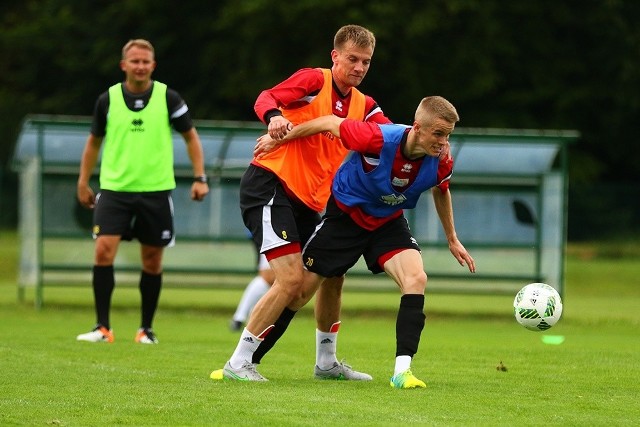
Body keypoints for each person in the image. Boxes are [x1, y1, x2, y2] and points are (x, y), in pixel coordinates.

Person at [253, 95, 476, 388]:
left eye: (447, 135)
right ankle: (248, 360)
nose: (443, 142)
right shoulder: (377, 138)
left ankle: (402, 372)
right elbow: (329, 122)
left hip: (387, 222)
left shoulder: (442, 159)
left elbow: (441, 189)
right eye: (438, 133)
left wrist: (452, 238)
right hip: (346, 216)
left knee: (416, 278)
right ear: (417, 128)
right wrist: (280, 139)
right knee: (300, 291)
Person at [210, 24, 391, 381]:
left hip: (310, 203)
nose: (358, 67)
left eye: (366, 62)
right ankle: (239, 362)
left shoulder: (364, 105)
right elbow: (266, 97)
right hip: (271, 186)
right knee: (291, 281)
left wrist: (423, 142)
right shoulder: (314, 81)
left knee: (332, 273)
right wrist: (275, 117)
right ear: (335, 56)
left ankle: (326, 363)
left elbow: (391, 134)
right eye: (352, 59)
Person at [76, 39, 209, 344]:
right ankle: (102, 327)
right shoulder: (107, 100)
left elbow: (191, 137)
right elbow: (93, 142)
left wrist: (200, 177)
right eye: (134, 61)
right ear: (124, 65)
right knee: (102, 251)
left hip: (155, 191)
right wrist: (83, 182)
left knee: (152, 261)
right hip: (114, 189)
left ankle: (145, 330)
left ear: (153, 65)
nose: (140, 66)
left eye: (145, 61)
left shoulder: (169, 98)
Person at [229, 249, 275, 332]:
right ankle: (242, 318)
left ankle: (246, 317)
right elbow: (267, 276)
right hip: (279, 240)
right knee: (265, 279)